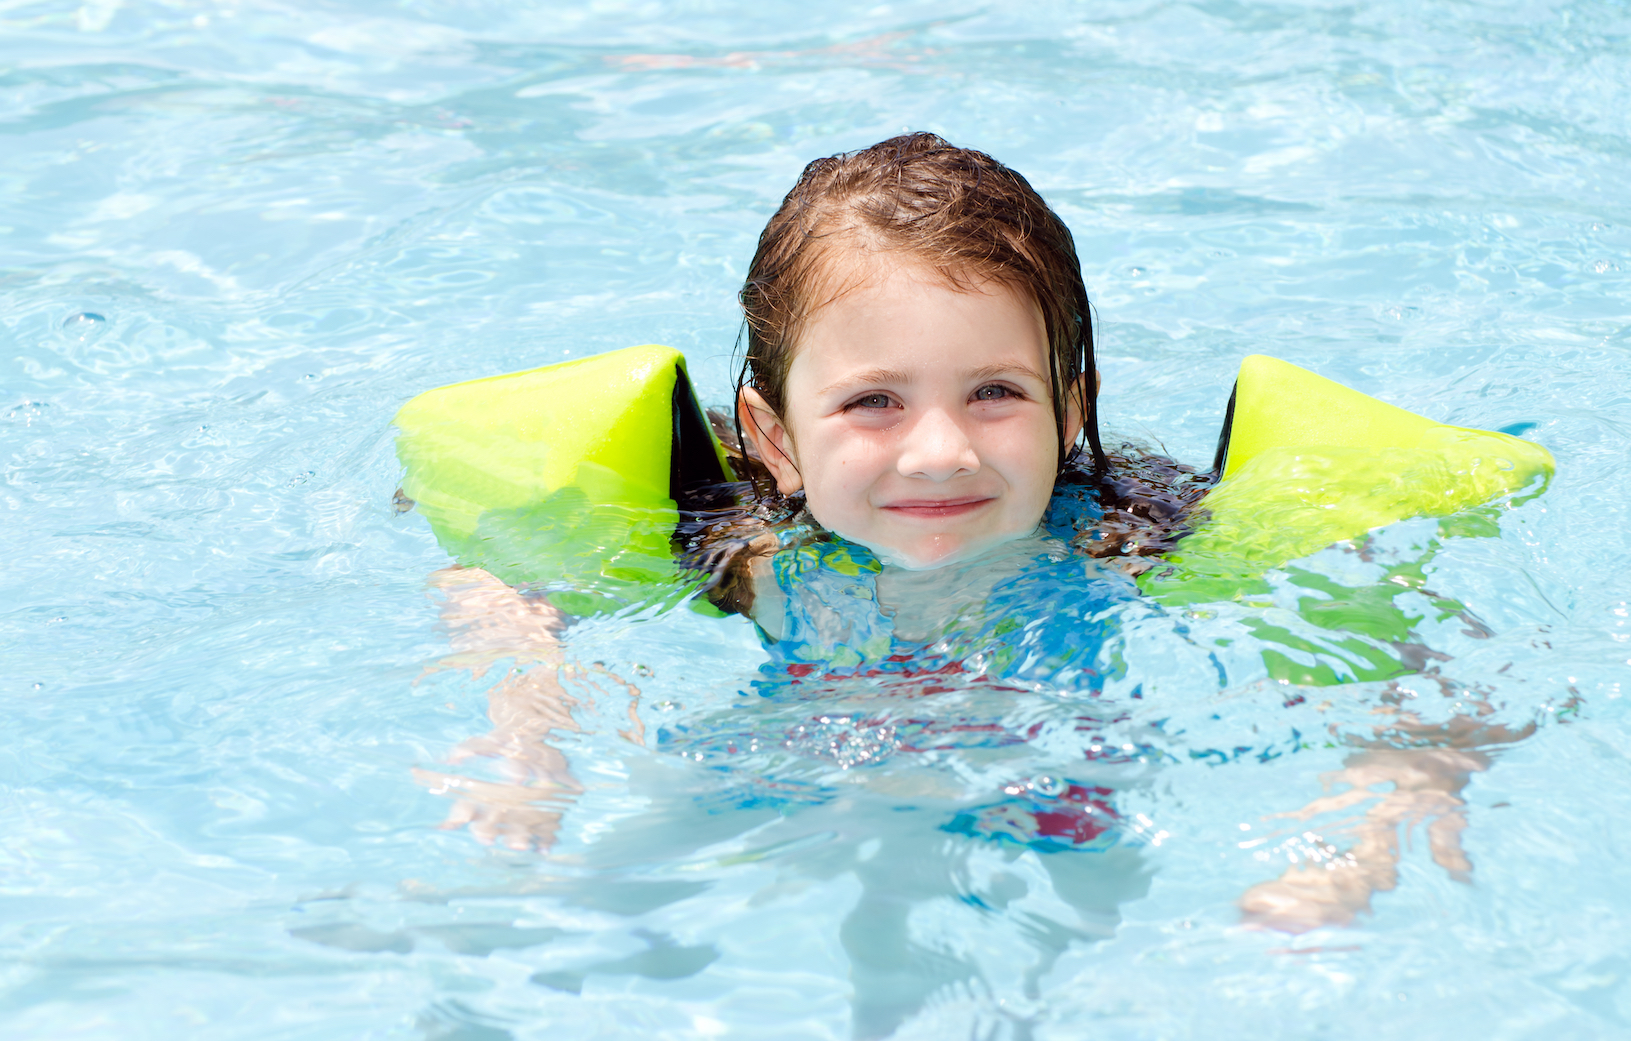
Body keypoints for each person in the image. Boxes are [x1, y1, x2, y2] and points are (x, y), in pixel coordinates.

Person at [418, 133, 1203, 847]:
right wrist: (528, 726)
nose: (940, 454)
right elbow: (497, 571)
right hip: (789, 770)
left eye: (994, 391)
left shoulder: (1129, 540)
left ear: (1069, 415)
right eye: (873, 402)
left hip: (1047, 780)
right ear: (776, 440)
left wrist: (1330, 857)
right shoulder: (738, 544)